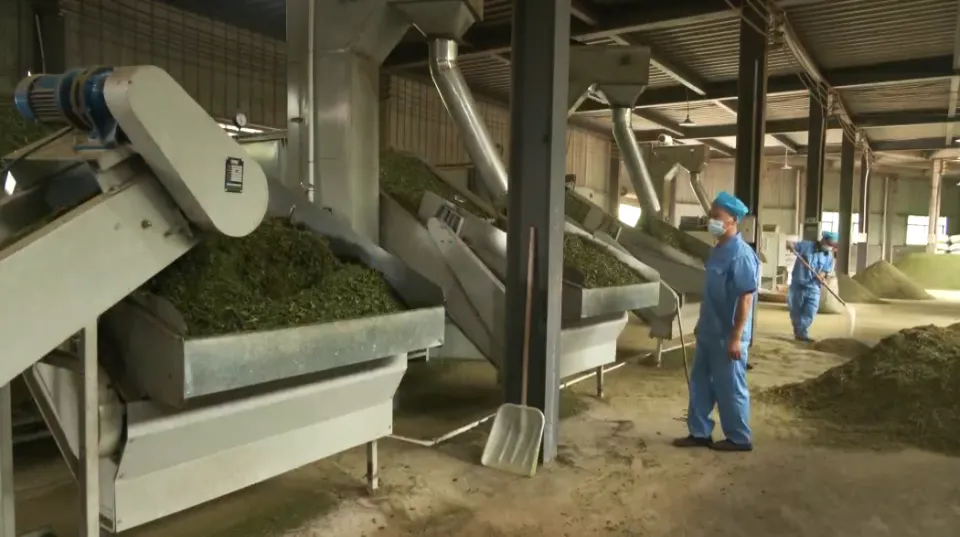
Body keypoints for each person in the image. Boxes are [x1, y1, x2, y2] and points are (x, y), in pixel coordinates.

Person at [674, 191, 760, 452]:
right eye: (711, 215)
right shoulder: (717, 251)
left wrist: (736, 337)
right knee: (700, 383)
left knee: (730, 387)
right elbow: (711, 293)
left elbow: (746, 299)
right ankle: (699, 432)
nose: (711, 220)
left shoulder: (741, 255)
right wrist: (701, 324)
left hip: (727, 335)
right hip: (709, 331)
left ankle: (739, 438)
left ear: (733, 220)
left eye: (717, 216)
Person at [786, 230, 838, 342]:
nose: (830, 247)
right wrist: (790, 245)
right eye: (829, 244)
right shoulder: (806, 246)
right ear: (823, 240)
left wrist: (821, 276)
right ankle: (800, 333)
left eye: (832, 246)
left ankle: (801, 332)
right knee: (796, 311)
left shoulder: (828, 256)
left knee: (810, 311)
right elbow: (791, 245)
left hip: (814, 287)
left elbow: (825, 270)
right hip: (798, 285)